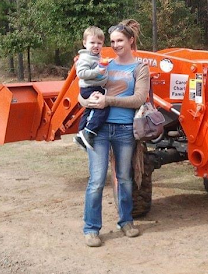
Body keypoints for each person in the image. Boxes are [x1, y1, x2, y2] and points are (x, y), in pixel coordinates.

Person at [78, 19, 150, 247]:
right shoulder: (104, 65)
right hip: (99, 130)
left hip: (124, 129)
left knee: (125, 178)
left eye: (120, 40)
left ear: (131, 41)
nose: (116, 45)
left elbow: (139, 99)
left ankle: (126, 221)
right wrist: (85, 100)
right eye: (112, 41)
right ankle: (91, 229)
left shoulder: (140, 68)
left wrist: (108, 100)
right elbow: (84, 92)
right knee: (97, 180)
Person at [74, 26, 109, 150]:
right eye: (92, 42)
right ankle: (89, 132)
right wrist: (97, 71)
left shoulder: (97, 57)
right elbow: (81, 74)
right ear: (84, 43)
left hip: (95, 87)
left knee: (89, 111)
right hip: (89, 88)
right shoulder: (85, 57)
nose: (96, 45)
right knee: (102, 108)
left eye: (99, 43)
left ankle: (80, 134)